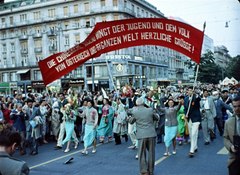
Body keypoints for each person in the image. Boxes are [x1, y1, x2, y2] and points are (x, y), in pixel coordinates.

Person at [128, 98, 158, 175]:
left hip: (141, 135)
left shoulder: (135, 112)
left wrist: (129, 119)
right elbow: (156, 118)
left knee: (141, 153)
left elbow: (131, 121)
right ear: (144, 103)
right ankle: (151, 170)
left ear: (137, 104)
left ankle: (144, 171)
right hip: (151, 134)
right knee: (151, 153)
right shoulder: (150, 110)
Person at [224, 96, 240, 175]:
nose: (237, 109)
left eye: (239, 106)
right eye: (235, 106)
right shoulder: (228, 122)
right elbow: (225, 138)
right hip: (234, 160)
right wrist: (230, 147)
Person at [184, 86, 201, 157]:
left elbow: (199, 99)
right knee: (191, 134)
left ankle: (191, 150)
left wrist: (196, 94)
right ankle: (195, 146)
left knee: (194, 133)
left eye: (191, 90)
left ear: (193, 91)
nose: (190, 92)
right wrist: (185, 114)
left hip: (196, 119)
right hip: (189, 119)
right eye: (189, 91)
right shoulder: (186, 99)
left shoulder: (196, 98)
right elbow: (185, 109)